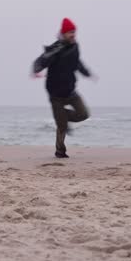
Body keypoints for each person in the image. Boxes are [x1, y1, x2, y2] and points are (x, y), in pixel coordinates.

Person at [32, 18, 94, 159]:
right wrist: (37, 69)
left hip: (71, 92)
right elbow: (42, 60)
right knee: (62, 127)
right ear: (64, 33)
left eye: (74, 32)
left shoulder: (75, 47)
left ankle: (63, 117)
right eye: (70, 32)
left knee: (84, 114)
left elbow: (77, 62)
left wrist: (86, 73)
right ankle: (60, 151)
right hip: (56, 95)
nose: (73, 35)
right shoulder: (56, 48)